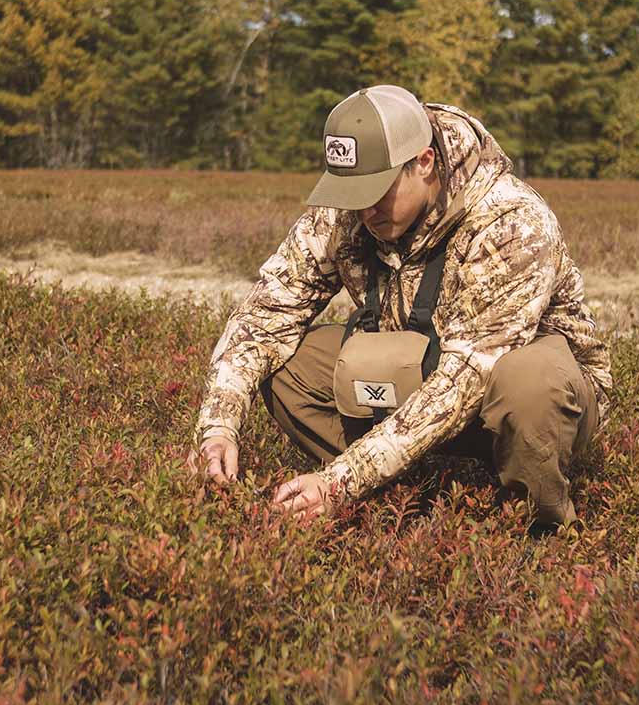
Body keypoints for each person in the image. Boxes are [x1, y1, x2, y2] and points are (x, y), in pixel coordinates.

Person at [192, 85, 611, 528]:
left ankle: (535, 525)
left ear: (424, 162)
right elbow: (263, 318)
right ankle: (405, 496)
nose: (365, 210)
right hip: (421, 368)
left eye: (378, 189)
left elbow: (468, 377)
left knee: (528, 382)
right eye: (351, 192)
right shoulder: (349, 211)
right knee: (289, 366)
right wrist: (218, 428)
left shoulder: (510, 220)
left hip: (520, 389)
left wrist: (341, 481)